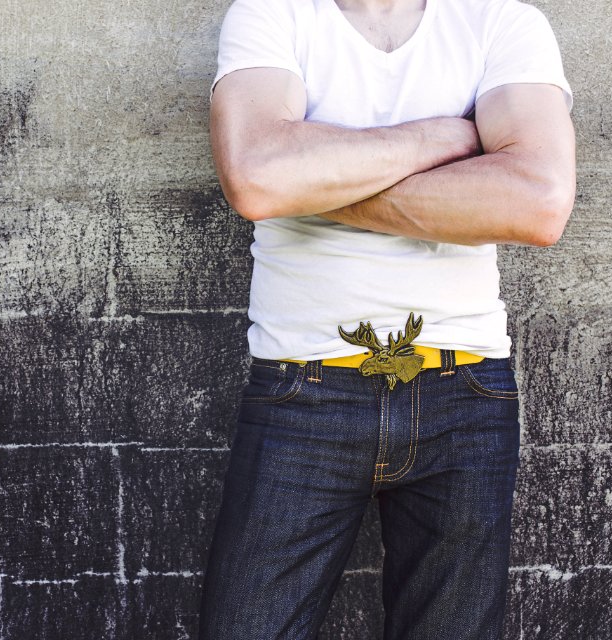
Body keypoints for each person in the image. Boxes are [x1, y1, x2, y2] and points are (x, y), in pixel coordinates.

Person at [198, 0, 575, 638]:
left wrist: (317, 177)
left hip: (466, 388)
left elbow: (537, 203)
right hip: (303, 387)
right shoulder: (272, 15)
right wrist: (445, 138)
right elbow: (258, 177)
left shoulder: (502, 22)